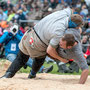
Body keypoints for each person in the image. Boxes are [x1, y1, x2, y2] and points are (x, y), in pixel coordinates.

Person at [0, 7, 85, 83]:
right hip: (37, 42)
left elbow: (71, 11)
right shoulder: (59, 31)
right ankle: (32, 74)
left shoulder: (65, 13)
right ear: (73, 25)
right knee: (41, 56)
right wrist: (61, 59)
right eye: (77, 27)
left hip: (29, 34)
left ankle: (8, 74)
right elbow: (50, 51)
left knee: (21, 58)